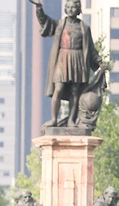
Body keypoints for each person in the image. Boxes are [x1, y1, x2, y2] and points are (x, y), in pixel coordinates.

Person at [29, 0, 103, 129]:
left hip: (78, 60)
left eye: (73, 7)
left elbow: (91, 49)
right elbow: (44, 21)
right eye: (68, 7)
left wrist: (100, 62)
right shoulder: (60, 24)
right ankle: (54, 119)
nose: (70, 9)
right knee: (58, 89)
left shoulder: (84, 28)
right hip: (62, 59)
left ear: (78, 9)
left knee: (75, 92)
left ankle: (71, 120)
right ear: (65, 9)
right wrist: (39, 7)